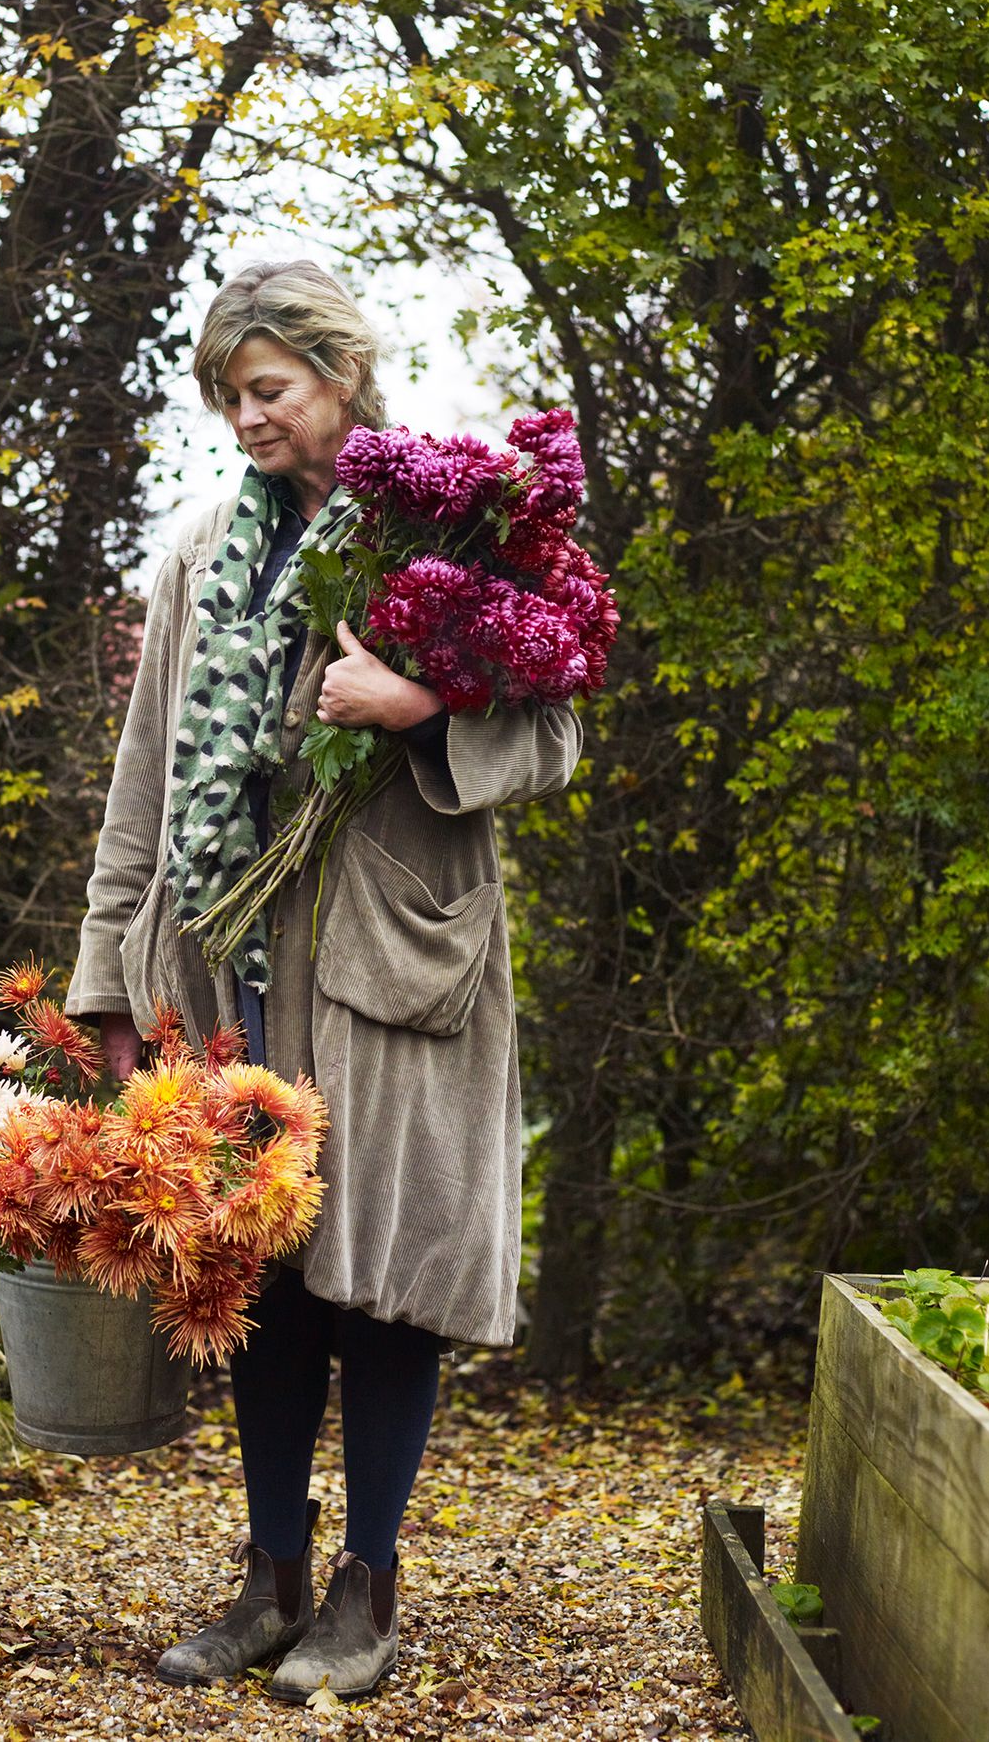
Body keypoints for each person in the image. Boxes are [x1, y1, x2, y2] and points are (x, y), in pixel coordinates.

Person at [65, 257, 582, 1702]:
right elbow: (145, 777)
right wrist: (109, 981)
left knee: (385, 1275)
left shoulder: (456, 533)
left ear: (341, 376)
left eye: (268, 390)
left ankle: (368, 1589)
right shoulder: (201, 554)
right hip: (230, 957)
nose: (246, 420)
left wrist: (416, 710)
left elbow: (553, 744)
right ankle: (272, 1580)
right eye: (227, 398)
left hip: (395, 954)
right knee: (264, 1269)